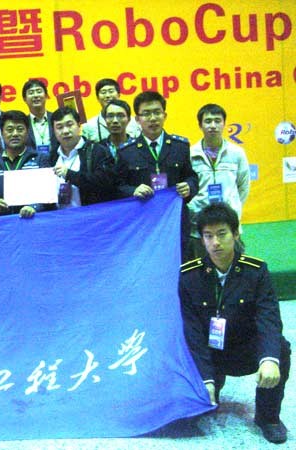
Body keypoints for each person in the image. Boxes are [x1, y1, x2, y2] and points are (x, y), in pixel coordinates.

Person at [179, 203, 291, 444]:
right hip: (209, 352)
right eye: (208, 236)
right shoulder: (189, 276)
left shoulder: (256, 271)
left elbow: (269, 318)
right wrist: (205, 377)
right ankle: (209, 391)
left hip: (244, 349)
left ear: (236, 233)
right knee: (182, 351)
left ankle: (268, 417)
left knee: (280, 349)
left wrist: (269, 359)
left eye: (222, 234)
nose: (215, 243)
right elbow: (192, 331)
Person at [116, 90, 198, 261]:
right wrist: (133, 190)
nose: (152, 118)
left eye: (157, 112)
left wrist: (189, 187)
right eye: (146, 114)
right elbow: (118, 187)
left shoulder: (180, 146)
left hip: (176, 221)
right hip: (143, 223)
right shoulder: (127, 151)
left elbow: (191, 177)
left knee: (182, 265)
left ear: (164, 115)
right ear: (137, 119)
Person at [188, 104, 250, 259]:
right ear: (200, 125)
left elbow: (243, 187)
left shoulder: (236, 153)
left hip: (229, 224)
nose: (213, 125)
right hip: (199, 226)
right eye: (208, 121)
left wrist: (232, 207)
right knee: (202, 270)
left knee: (235, 269)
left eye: (217, 121)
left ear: (224, 124)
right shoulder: (190, 154)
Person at [0, 110, 52, 218]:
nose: (15, 134)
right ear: (2, 133)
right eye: (9, 130)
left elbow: (49, 194)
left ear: (27, 132)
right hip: (4, 224)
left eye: (20, 129)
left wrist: (34, 207)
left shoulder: (40, 160)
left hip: (35, 222)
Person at [50, 107, 116, 207]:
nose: (65, 131)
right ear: (54, 131)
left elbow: (106, 184)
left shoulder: (97, 151)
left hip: (89, 214)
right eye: (59, 127)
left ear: (79, 125)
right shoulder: (53, 156)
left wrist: (69, 175)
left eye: (69, 125)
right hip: (60, 215)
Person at [82, 78, 141, 142]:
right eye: (103, 92)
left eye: (111, 91)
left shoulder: (134, 123)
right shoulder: (89, 126)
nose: (107, 95)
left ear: (119, 94)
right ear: (97, 97)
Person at [22, 79, 56, 156]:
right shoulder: (23, 123)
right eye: (31, 93)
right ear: (24, 99)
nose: (35, 95)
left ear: (46, 96)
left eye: (39, 91)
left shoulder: (56, 118)